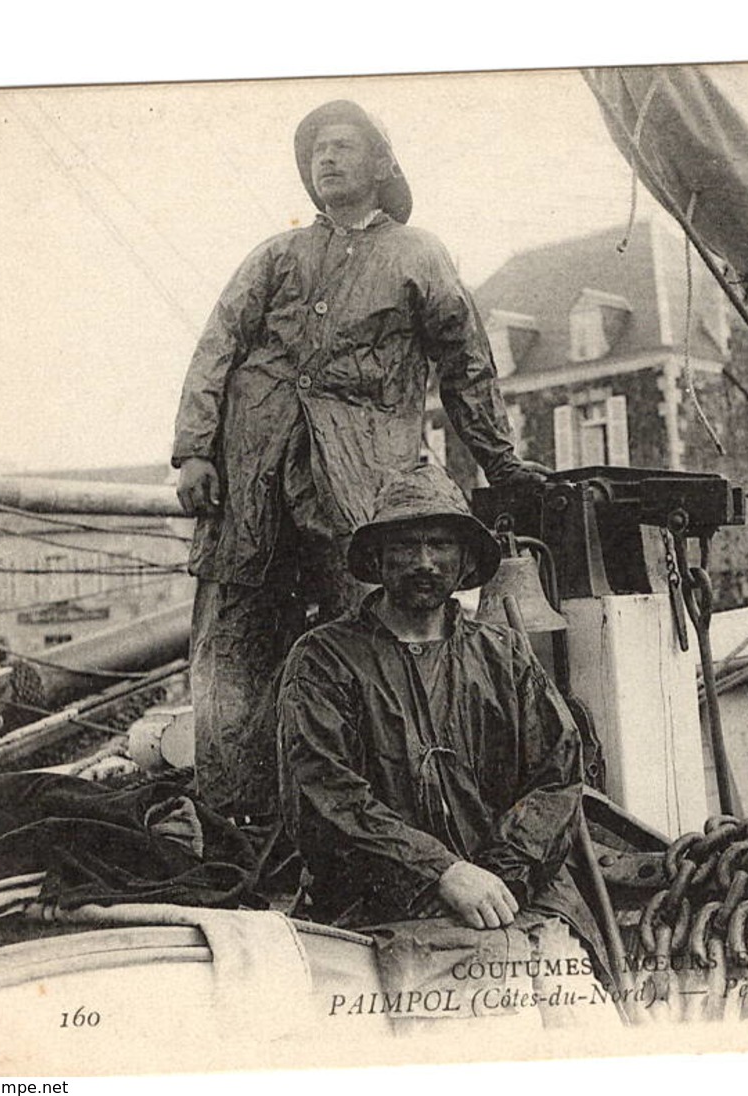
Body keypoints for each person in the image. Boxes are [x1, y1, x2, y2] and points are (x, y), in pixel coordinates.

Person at [171, 100, 546, 821]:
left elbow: (466, 366)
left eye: (343, 146)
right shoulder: (276, 256)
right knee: (233, 652)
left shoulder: (418, 254)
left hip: (362, 488)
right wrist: (194, 451)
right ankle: (234, 832)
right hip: (253, 485)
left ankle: (363, 824)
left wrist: (501, 465)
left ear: (380, 164)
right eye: (316, 150)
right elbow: (216, 346)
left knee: (360, 642)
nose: (326, 159)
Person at [277, 464, 608, 1019]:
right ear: (378, 560)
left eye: (440, 544)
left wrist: (502, 877)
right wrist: (441, 872)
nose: (424, 562)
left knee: (585, 1029)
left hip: (517, 898)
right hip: (381, 907)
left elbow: (557, 776)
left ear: (467, 560)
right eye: (405, 545)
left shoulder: (503, 655)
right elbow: (323, 795)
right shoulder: (324, 661)